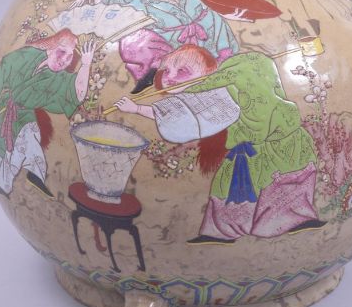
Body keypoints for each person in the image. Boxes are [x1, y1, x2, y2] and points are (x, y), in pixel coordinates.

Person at [114, 47, 325, 244]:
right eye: (166, 71)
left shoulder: (227, 88)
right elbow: (170, 113)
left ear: (207, 74)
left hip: (279, 149)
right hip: (245, 153)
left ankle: (293, 220)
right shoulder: (198, 95)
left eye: (182, 71)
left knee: (280, 186)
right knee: (226, 188)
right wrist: (136, 109)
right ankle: (222, 231)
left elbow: (261, 112)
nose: (170, 78)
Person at [70, 0, 252, 93]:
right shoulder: (139, 1)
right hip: (178, 41)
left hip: (210, 29)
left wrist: (233, 7)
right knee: (187, 69)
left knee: (221, 59)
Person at [0, 29, 97, 198]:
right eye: (62, 52)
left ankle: (36, 175)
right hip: (5, 111)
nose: (64, 61)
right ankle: (5, 183)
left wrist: (86, 64)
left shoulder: (59, 78)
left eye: (69, 57)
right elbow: (4, 66)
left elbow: (78, 94)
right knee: (4, 152)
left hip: (25, 116)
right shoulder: (28, 55)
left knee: (28, 138)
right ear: (51, 47)